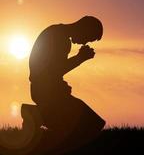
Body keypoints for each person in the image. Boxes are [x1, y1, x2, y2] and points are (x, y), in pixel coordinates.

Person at [28, 16, 106, 145]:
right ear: (83, 28)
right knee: (92, 124)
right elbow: (54, 70)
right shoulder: (60, 38)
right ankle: (38, 116)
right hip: (48, 94)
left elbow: (52, 70)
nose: (84, 43)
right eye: (87, 37)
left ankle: (39, 116)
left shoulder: (58, 34)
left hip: (48, 91)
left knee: (86, 125)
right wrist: (80, 58)